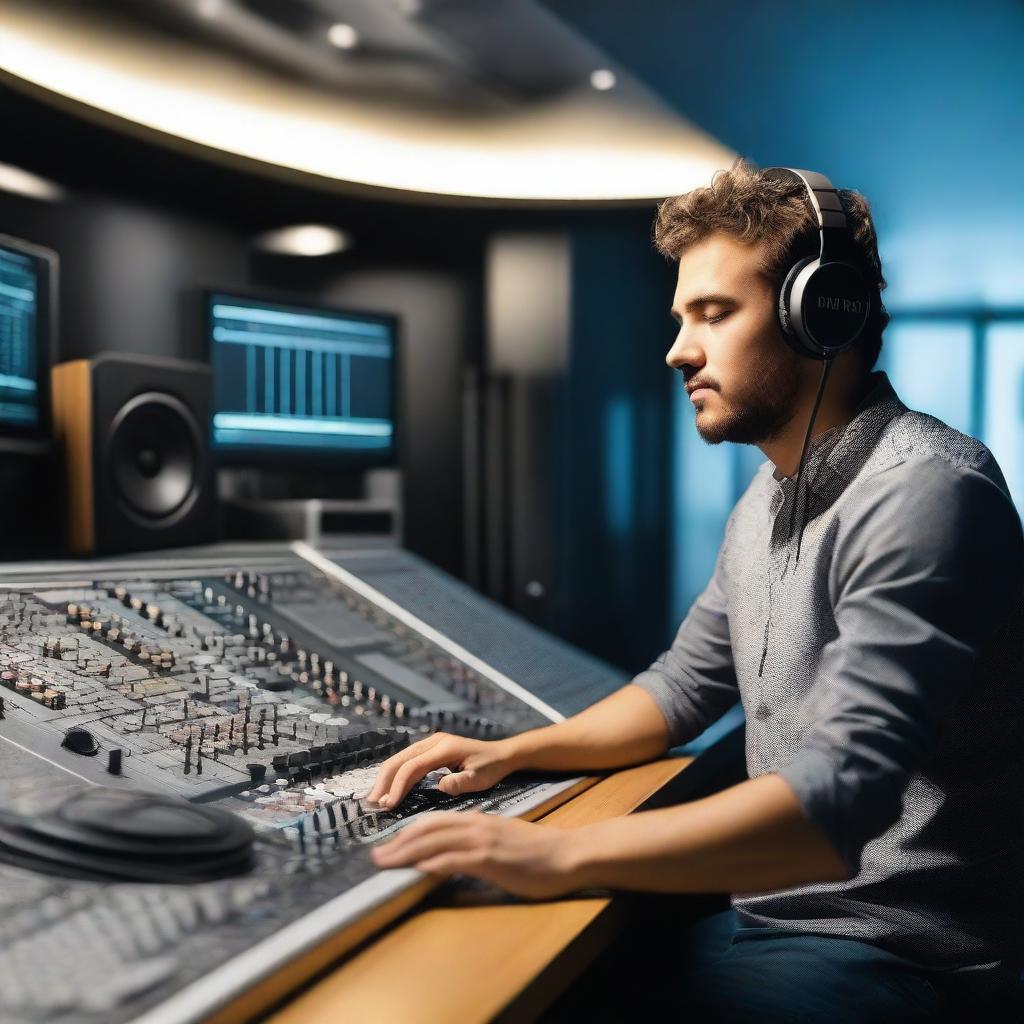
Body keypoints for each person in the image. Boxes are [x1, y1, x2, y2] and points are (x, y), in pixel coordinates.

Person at [367, 160, 1024, 1021]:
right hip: (772, 924)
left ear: (821, 313)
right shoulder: (765, 497)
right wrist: (515, 754)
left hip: (899, 956)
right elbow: (680, 689)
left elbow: (833, 806)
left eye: (714, 313)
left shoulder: (928, 489)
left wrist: (562, 855)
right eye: (683, 317)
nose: (678, 348)